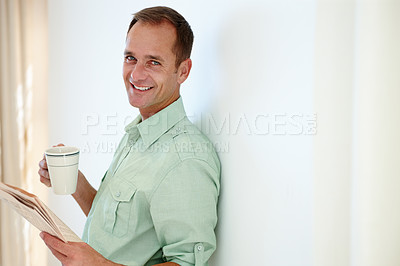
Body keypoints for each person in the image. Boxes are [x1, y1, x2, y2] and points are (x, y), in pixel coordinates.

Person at [38, 6, 221, 266]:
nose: (135, 74)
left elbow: (186, 263)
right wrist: (75, 182)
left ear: (183, 71)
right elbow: (120, 231)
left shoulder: (186, 160)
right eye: (130, 58)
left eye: (153, 62)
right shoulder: (137, 134)